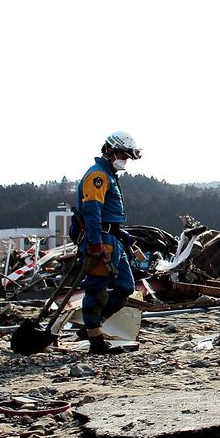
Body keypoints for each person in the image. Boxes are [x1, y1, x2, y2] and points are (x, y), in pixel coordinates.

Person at [73, 131, 142, 355]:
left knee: (125, 287)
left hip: (112, 238)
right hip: (101, 239)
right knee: (97, 290)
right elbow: (93, 211)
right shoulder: (98, 176)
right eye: (124, 154)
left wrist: (121, 234)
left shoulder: (110, 175)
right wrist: (95, 243)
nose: (125, 160)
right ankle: (96, 342)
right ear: (110, 150)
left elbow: (109, 214)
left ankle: (92, 326)